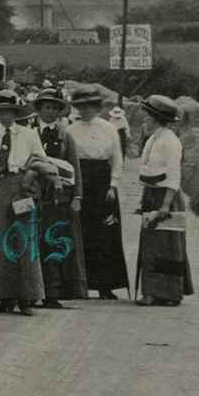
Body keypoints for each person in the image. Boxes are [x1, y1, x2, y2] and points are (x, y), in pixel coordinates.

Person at [0, 91, 55, 316]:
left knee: (23, 240)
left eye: (9, 111)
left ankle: (26, 296)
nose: (5, 115)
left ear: (16, 113)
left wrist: (29, 175)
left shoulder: (28, 134)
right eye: (0, 111)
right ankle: (4, 295)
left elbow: (43, 161)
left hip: (22, 189)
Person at [68, 84, 129, 300]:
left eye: (90, 106)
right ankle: (80, 283)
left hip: (102, 182)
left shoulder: (109, 128)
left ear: (97, 107)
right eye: (81, 107)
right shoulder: (70, 129)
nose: (86, 111)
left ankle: (106, 285)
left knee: (105, 232)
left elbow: (117, 159)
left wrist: (113, 184)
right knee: (80, 231)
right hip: (80, 180)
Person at [135, 96, 193, 307]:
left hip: (166, 197)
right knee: (151, 245)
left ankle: (168, 293)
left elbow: (174, 176)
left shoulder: (171, 142)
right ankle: (153, 290)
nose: (144, 120)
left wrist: (166, 205)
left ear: (155, 118)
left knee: (167, 246)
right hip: (151, 195)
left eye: (147, 116)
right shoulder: (153, 138)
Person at [33, 87, 89, 307]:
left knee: (54, 243)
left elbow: (75, 167)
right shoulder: (29, 133)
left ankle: (53, 292)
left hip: (59, 199)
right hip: (35, 196)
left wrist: (77, 197)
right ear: (39, 109)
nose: (49, 112)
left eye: (54, 108)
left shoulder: (66, 136)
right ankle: (32, 292)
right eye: (46, 107)